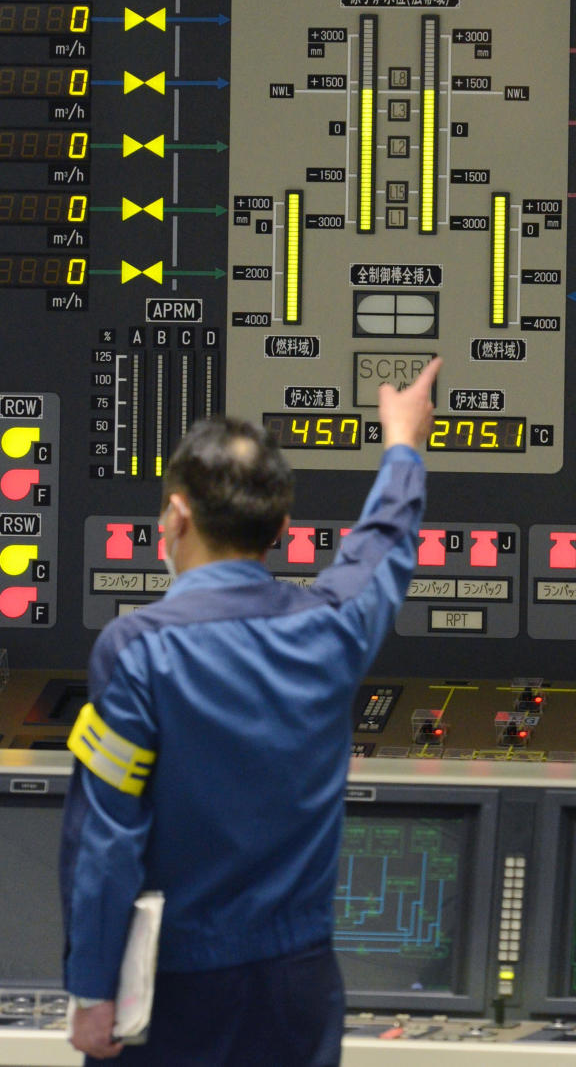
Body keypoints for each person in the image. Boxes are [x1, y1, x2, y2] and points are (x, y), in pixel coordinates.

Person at [60, 357, 441, 1064]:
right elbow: (382, 545)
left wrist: (91, 988)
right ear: (281, 528)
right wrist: (403, 446)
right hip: (298, 986)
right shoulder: (334, 628)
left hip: (172, 990)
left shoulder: (137, 652)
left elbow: (107, 838)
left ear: (176, 517)